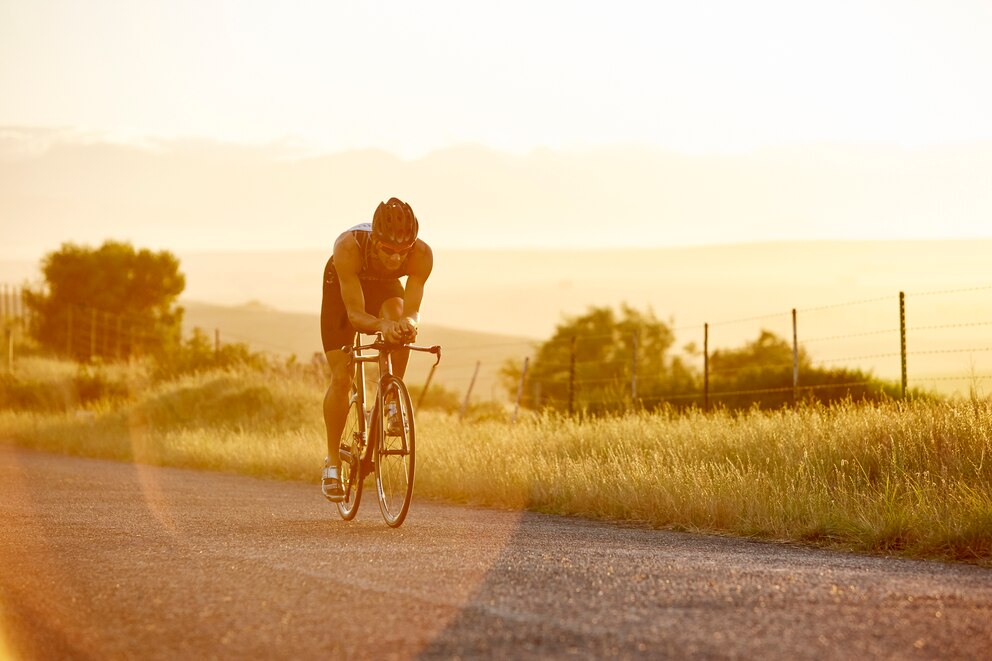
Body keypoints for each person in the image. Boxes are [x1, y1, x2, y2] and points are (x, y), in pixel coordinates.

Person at [319, 197, 433, 501]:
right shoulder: (349, 247)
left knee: (397, 315)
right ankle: (332, 462)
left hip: (384, 288)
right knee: (342, 377)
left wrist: (407, 322)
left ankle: (391, 397)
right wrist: (380, 326)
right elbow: (355, 315)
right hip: (345, 291)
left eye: (402, 252)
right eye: (388, 251)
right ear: (375, 241)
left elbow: (413, 309)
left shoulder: (421, 254)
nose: (396, 259)